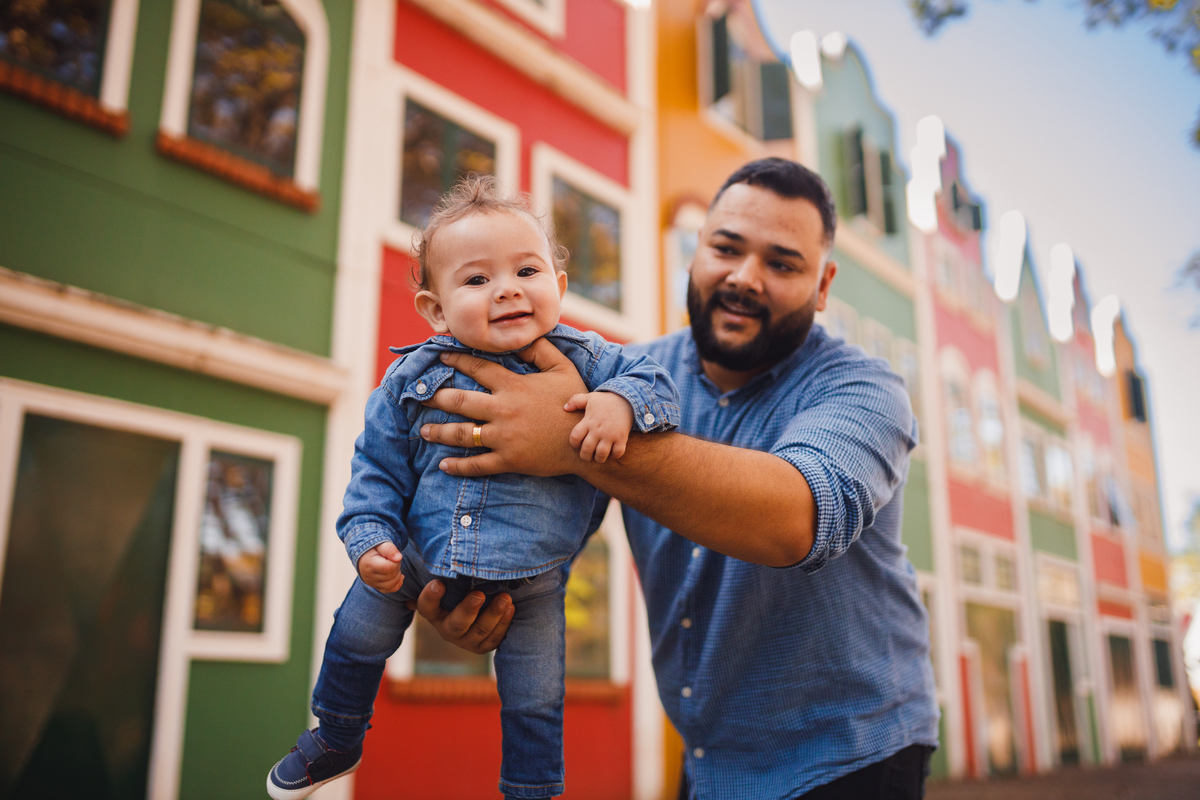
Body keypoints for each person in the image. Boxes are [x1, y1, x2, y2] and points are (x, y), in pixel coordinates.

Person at [412, 158, 940, 799]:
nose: (745, 278)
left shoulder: (864, 388)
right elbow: (547, 520)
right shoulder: (629, 374)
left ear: (823, 286)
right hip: (709, 759)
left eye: (782, 263)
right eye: (726, 248)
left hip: (849, 758)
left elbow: (797, 518)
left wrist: (575, 445)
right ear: (695, 255)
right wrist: (473, 593)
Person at [266, 176, 680, 800]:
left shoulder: (591, 360)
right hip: (417, 552)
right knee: (356, 635)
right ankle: (337, 733)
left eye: (527, 270)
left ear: (559, 288)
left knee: (535, 695)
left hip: (535, 578)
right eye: (477, 280)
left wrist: (619, 403)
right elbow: (376, 467)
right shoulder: (411, 377)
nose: (508, 288)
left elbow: (657, 384)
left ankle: (533, 788)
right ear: (436, 309)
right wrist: (369, 538)